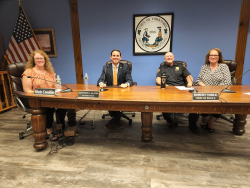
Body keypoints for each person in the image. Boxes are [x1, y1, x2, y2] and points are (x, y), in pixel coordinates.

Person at [22, 50, 67, 141]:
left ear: (45, 59)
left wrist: (58, 88)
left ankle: (59, 127)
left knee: (63, 104)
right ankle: (49, 130)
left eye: (41, 58)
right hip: (36, 98)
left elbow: (55, 86)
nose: (39, 60)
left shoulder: (50, 72)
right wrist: (42, 94)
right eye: (37, 58)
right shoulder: (29, 72)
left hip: (50, 96)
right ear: (33, 60)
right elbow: (27, 90)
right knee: (48, 106)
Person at [156, 52, 198, 133]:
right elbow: (158, 79)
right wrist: (166, 86)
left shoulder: (181, 66)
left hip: (181, 89)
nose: (169, 57)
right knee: (162, 102)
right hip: (168, 89)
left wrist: (189, 83)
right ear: (164, 59)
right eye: (167, 56)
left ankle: (192, 124)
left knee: (195, 103)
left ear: (173, 57)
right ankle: (170, 121)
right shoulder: (162, 67)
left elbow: (189, 76)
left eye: (170, 56)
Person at [193, 48, 231, 132]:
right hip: (205, 90)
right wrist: (206, 87)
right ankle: (204, 117)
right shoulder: (204, 67)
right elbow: (198, 80)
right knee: (200, 100)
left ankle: (211, 120)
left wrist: (214, 89)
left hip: (220, 92)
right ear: (208, 57)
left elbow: (227, 82)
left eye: (215, 55)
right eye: (211, 55)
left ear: (219, 57)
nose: (213, 57)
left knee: (222, 103)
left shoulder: (223, 67)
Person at [97, 49, 133, 130]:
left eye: (117, 56)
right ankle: (116, 120)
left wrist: (126, 84)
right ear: (110, 57)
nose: (115, 57)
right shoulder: (105, 67)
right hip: (110, 91)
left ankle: (114, 120)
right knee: (109, 102)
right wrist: (101, 83)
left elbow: (130, 80)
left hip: (121, 91)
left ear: (120, 57)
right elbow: (100, 80)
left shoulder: (125, 66)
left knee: (117, 102)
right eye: (114, 56)